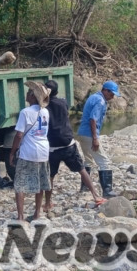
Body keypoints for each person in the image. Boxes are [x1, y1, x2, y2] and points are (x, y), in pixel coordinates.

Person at [44, 80, 107, 210]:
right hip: (67, 143)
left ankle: (48, 203)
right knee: (81, 169)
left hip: (52, 146)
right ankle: (96, 196)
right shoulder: (63, 102)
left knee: (50, 174)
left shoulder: (43, 107)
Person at [9, 81, 51, 221]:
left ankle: (20, 216)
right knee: (39, 184)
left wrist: (12, 152)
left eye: (29, 92)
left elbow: (19, 135)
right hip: (43, 152)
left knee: (20, 184)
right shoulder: (45, 111)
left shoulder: (25, 112)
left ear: (33, 96)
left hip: (28, 152)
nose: (27, 94)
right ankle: (37, 213)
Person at [75, 80, 122, 197]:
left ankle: (85, 187)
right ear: (105, 91)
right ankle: (107, 191)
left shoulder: (93, 97)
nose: (112, 97)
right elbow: (93, 119)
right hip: (89, 135)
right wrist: (95, 138)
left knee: (88, 160)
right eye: (111, 94)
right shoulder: (100, 101)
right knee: (104, 161)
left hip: (82, 133)